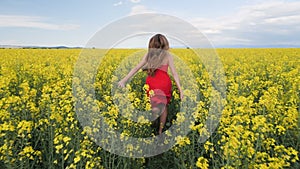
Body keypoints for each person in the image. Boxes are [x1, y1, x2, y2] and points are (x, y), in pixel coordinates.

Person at [118, 34, 183, 135]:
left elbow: (136, 68)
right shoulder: (168, 55)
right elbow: (174, 73)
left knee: (152, 105)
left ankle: (154, 122)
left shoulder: (149, 55)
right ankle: (160, 131)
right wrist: (180, 90)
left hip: (152, 83)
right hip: (164, 83)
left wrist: (124, 80)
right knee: (164, 106)